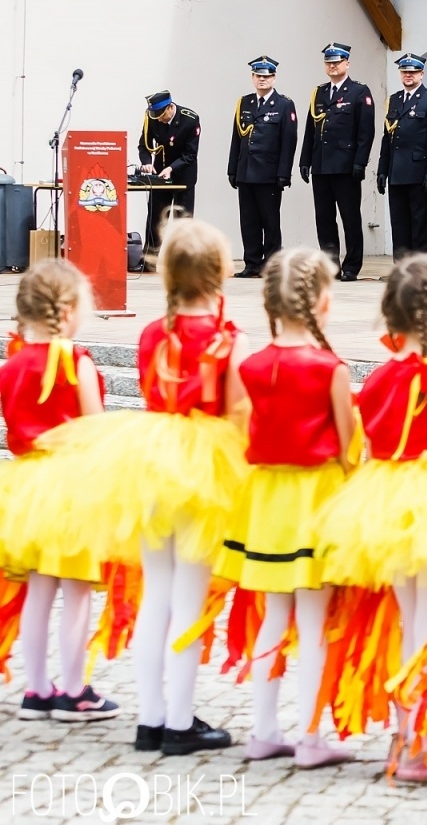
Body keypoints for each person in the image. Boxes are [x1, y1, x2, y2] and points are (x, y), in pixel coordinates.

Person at [34, 220, 250, 754]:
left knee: (157, 594)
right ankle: (179, 721)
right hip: (203, 471)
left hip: (152, 463)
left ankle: (151, 718)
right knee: (189, 598)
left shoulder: (154, 332)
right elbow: (239, 410)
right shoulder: (228, 339)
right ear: (220, 272)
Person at [317, 253, 427, 782]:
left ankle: (409, 732)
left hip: (389, 505)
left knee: (410, 622)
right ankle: (420, 743)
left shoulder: (376, 380)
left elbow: (374, 447)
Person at [217, 247, 355, 768]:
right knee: (314, 621)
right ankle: (312, 736)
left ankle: (264, 729)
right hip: (316, 498)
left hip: (267, 501)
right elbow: (348, 447)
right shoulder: (330, 368)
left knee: (273, 615)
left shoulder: (251, 365)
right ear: (321, 301)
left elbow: (245, 425)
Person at [0, 259, 119, 723]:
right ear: (67, 310)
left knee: (38, 590)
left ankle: (36, 689)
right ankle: (74, 691)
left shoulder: (12, 364)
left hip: (27, 489)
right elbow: (95, 429)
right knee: (77, 592)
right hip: (71, 488)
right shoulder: (75, 361)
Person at [299, 43, 375, 282]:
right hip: (321, 165)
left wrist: (360, 162)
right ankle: (330, 265)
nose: (332, 66)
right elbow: (310, 130)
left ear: (347, 63)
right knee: (324, 219)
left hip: (346, 166)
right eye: (328, 62)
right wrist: (305, 160)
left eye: (337, 62)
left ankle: (352, 265)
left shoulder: (359, 92)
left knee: (350, 218)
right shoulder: (319, 93)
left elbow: (366, 131)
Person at [228, 57, 297, 278]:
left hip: (269, 173)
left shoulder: (284, 105)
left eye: (266, 76)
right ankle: (252, 263)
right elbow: (237, 138)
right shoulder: (244, 103)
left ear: (274, 78)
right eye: (258, 76)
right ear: (252, 77)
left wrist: (284, 172)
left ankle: (272, 264)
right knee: (249, 222)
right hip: (245, 172)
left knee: (270, 221)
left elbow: (289, 141)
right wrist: (232, 169)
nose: (262, 80)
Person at [377, 53, 427, 258]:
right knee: (399, 223)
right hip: (396, 172)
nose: (408, 75)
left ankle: (418, 267)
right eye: (405, 72)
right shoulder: (394, 100)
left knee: (419, 224)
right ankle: (401, 267)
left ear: (421, 74)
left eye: (413, 72)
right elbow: (387, 138)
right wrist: (382, 170)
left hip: (420, 172)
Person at [137, 90, 200, 263]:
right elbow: (144, 145)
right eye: (156, 117)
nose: (159, 120)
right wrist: (146, 162)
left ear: (170, 107)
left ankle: (183, 260)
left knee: (183, 220)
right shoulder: (152, 118)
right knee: (155, 217)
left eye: (162, 116)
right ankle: (150, 258)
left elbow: (190, 154)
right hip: (159, 174)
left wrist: (171, 168)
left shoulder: (190, 119)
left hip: (183, 174)